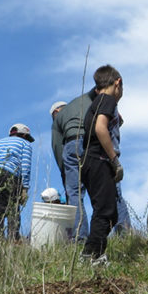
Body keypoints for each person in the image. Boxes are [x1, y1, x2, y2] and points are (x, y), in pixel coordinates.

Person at [79, 65, 125, 264]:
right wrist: (114, 160)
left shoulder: (96, 102)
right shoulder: (108, 100)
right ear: (118, 83)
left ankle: (91, 253)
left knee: (107, 211)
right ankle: (92, 255)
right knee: (106, 212)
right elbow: (100, 128)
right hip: (100, 160)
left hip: (90, 161)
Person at [51, 91, 95, 242]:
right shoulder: (82, 107)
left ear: (56, 112)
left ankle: (80, 237)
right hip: (93, 143)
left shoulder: (59, 119)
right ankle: (112, 232)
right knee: (98, 190)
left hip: (73, 147)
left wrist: (65, 172)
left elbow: (57, 147)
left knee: (75, 194)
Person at [0, 123, 34, 240]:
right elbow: (25, 166)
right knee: (13, 209)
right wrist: (24, 187)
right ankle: (13, 239)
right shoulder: (25, 144)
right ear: (24, 135)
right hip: (11, 174)